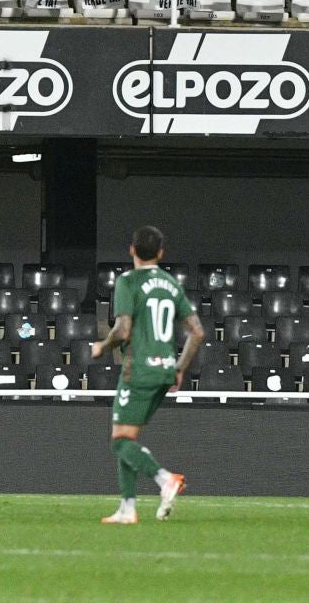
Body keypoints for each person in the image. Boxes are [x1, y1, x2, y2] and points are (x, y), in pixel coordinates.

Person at [89, 224, 201, 524]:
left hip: (138, 369)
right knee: (128, 439)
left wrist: (103, 345)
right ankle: (127, 509)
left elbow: (123, 329)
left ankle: (165, 479)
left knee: (118, 442)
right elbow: (197, 332)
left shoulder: (128, 281)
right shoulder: (171, 284)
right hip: (165, 370)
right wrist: (179, 368)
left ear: (131, 249)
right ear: (161, 253)